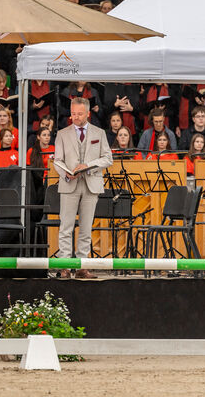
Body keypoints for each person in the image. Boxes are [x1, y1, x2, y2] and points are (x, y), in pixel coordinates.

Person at [54, 97, 113, 278]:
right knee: (66, 226)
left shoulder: (99, 133)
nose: (76, 117)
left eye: (79, 114)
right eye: (73, 114)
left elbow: (107, 159)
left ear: (88, 113)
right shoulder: (62, 134)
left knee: (86, 228)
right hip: (69, 183)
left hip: (91, 183)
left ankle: (82, 266)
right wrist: (65, 173)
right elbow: (57, 160)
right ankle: (64, 265)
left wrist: (88, 164)